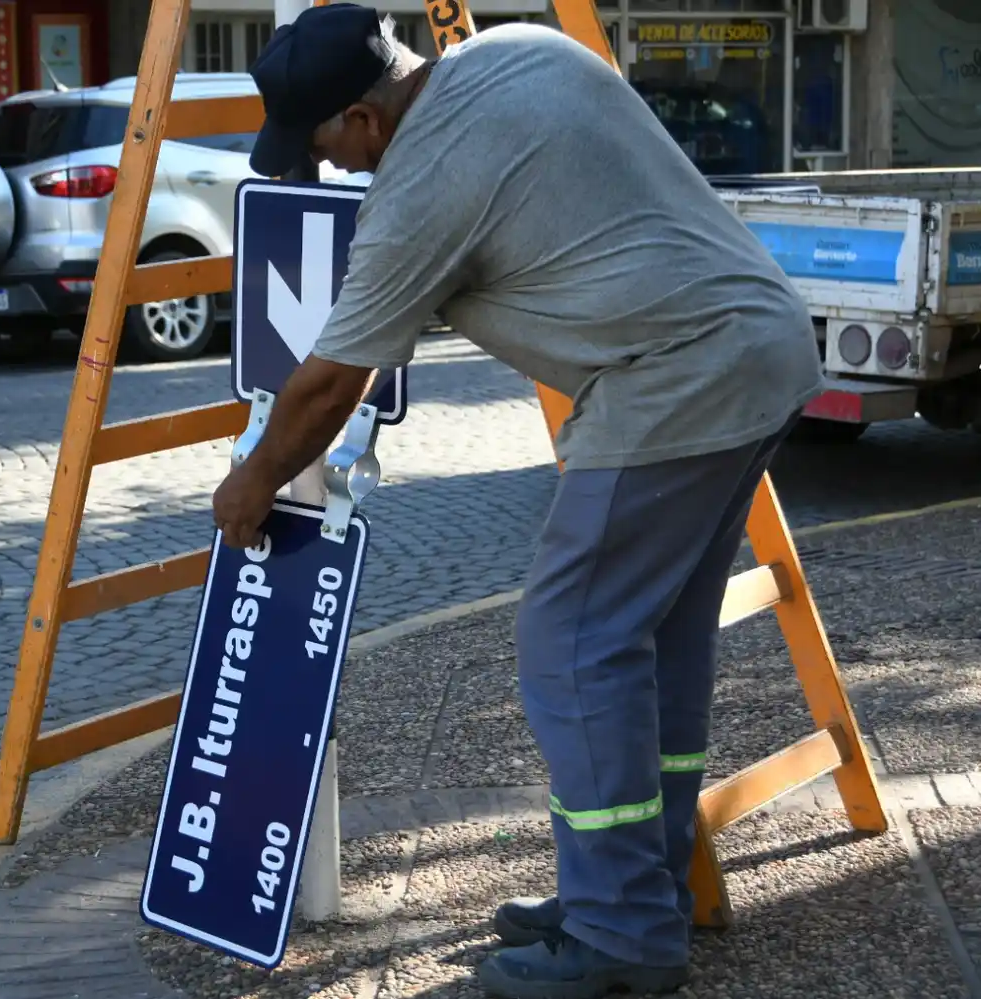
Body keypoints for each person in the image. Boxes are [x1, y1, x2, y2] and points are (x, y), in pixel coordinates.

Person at [209, 6, 823, 998]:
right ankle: (634, 894)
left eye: (321, 144)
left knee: (571, 640)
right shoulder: (517, 48)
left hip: (672, 382)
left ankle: (622, 932)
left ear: (364, 119)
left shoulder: (417, 188)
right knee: (656, 643)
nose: (325, 166)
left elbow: (328, 386)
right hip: (761, 346)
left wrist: (253, 482)